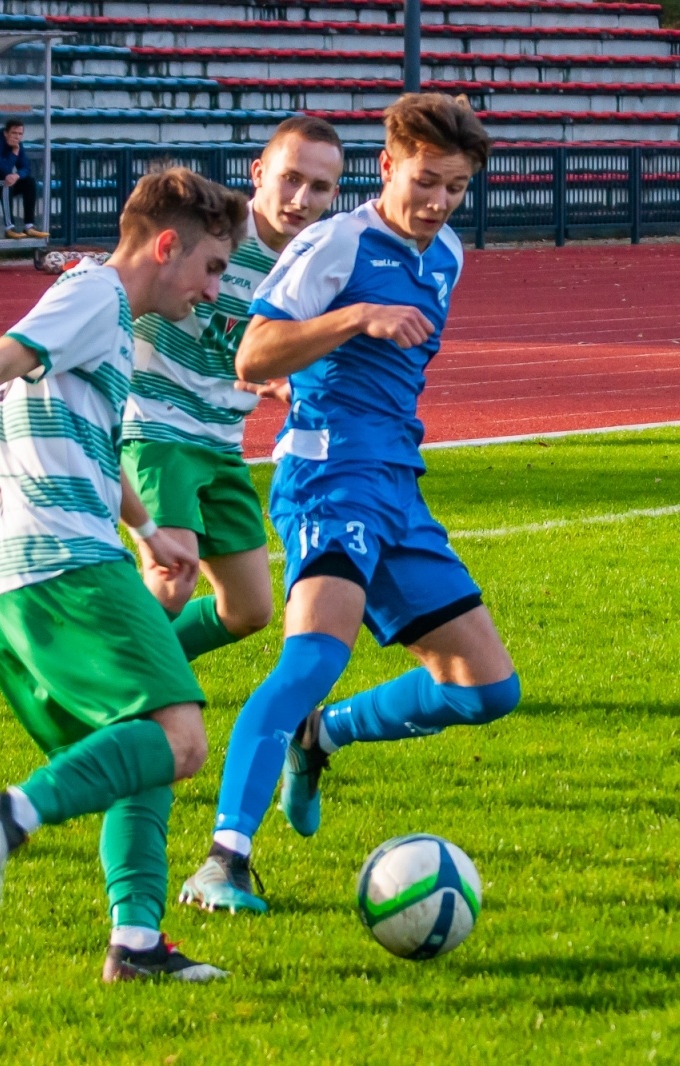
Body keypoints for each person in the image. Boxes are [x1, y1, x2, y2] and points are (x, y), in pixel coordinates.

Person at [0, 167, 246, 983]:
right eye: (211, 268)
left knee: (134, 749)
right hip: (60, 561)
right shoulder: (95, 297)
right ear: (166, 245)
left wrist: (147, 531)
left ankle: (136, 947)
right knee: (180, 737)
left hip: (9, 575)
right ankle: (9, 812)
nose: (213, 291)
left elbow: (87, 434)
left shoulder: (102, 312)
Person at [178, 95, 522, 914]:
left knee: (485, 690)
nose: (438, 202)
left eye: (456, 188)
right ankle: (224, 857)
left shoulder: (448, 255)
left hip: (398, 485)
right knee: (312, 661)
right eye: (426, 181)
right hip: (329, 478)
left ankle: (321, 735)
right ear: (387, 167)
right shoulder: (337, 242)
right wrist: (357, 315)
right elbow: (254, 351)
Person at [122, 117, 343, 669]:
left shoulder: (315, 261)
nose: (300, 198)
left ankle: (124, 667)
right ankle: (111, 691)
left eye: (319, 187)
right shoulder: (213, 231)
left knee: (247, 610)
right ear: (258, 172)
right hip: (156, 424)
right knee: (171, 582)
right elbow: (132, 274)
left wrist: (285, 380)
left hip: (222, 441)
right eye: (290, 178)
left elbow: (286, 351)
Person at [0, 118, 47, 240]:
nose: (17, 137)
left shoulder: (18, 145)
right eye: (14, 133)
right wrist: (14, 153)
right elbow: (4, 169)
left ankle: (29, 226)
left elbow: (26, 168)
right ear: (6, 133)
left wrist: (17, 175)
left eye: (20, 134)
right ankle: (9, 228)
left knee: (29, 182)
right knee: (6, 184)